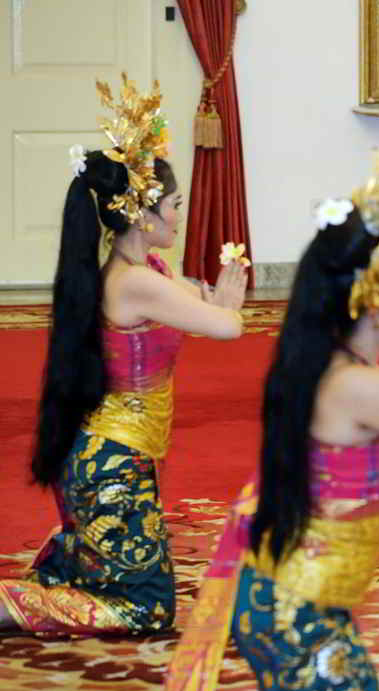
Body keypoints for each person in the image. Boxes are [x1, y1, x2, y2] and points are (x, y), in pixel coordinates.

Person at [147, 149, 379, 691]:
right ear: (375, 302)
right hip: (293, 606)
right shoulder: (358, 385)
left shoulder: (337, 368)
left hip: (298, 595)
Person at [0, 75, 247, 636]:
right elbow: (224, 326)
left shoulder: (147, 272)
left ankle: (69, 569)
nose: (181, 216)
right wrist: (227, 306)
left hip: (116, 459)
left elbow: (195, 301)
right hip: (108, 466)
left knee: (115, 583)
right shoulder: (135, 283)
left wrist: (215, 304)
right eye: (176, 205)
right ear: (143, 215)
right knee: (145, 611)